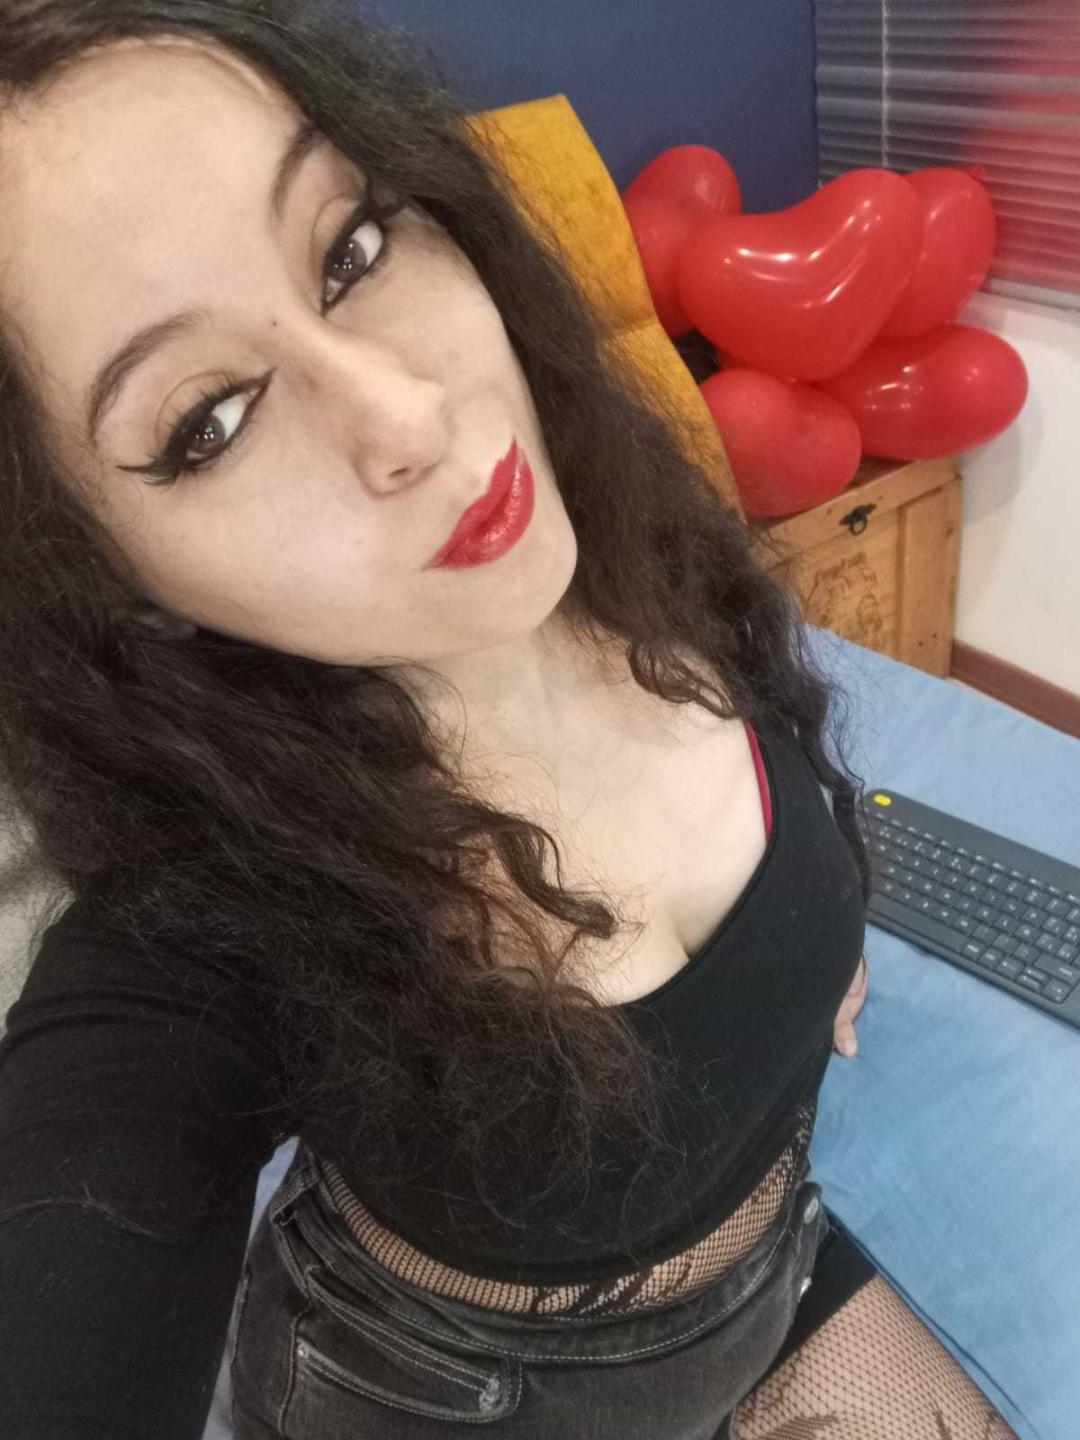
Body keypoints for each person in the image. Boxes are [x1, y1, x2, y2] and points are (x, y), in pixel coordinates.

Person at [0, 4, 1019, 1437]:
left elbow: (791, 760)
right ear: (97, 577)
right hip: (445, 1397)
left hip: (773, 1271)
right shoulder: (211, 917)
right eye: (208, 421)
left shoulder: (634, 542)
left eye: (352, 248)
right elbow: (78, 1236)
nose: (411, 415)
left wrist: (810, 944)